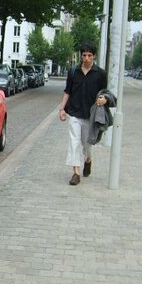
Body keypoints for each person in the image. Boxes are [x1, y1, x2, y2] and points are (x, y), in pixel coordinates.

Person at [57, 42, 108, 186]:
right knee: (74, 142)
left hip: (90, 115)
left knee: (86, 144)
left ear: (94, 56)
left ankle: (88, 160)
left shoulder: (101, 74)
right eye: (84, 55)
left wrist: (104, 99)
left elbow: (105, 93)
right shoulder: (73, 71)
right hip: (74, 112)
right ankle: (75, 173)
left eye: (89, 55)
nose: (86, 58)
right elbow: (68, 91)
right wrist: (62, 109)